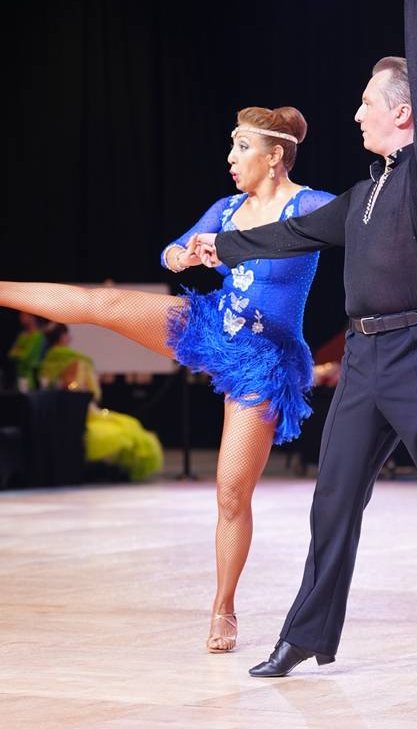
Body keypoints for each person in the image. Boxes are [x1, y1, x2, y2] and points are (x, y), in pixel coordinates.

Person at [196, 0, 417, 702]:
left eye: (368, 103)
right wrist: (222, 247)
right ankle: (306, 634)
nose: (356, 113)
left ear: (405, 114)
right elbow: (295, 231)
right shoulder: (363, 193)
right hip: (367, 358)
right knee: (332, 498)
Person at [0, 104, 335, 653]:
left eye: (241, 148)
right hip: (214, 325)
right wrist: (184, 256)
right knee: (100, 303)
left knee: (231, 492)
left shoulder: (311, 205)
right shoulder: (227, 208)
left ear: (275, 157)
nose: (230, 158)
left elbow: (356, 223)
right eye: (231, 146)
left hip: (266, 358)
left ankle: (223, 606)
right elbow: (172, 250)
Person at [40, 323, 163, 481]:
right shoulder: (77, 361)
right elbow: (84, 391)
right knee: (129, 429)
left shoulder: (46, 362)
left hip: (54, 411)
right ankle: (117, 472)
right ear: (63, 337)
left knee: (127, 426)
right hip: (81, 413)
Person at [7, 312, 48, 391]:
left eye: (23, 316)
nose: (20, 318)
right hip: (19, 374)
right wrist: (19, 352)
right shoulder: (22, 335)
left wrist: (18, 351)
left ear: (32, 317)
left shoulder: (38, 336)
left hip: (31, 375)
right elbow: (11, 354)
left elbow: (25, 356)